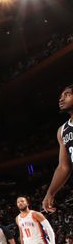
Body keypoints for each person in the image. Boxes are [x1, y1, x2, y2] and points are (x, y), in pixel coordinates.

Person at [42, 84, 73, 213]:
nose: (61, 99)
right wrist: (50, 192)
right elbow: (64, 167)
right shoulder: (62, 130)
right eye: (60, 96)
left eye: (67, 95)